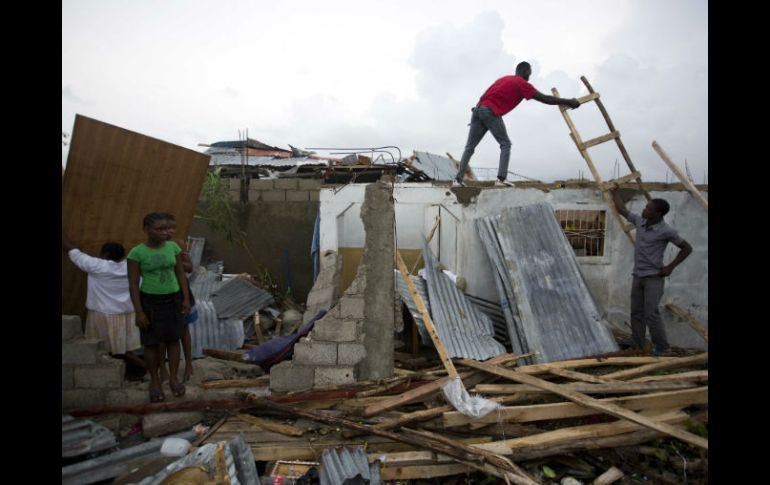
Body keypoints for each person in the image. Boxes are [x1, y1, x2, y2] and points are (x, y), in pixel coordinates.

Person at [453, 61, 581, 187]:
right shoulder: (522, 84)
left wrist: (479, 114)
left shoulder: (503, 79)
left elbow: (484, 95)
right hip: (490, 111)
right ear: (525, 71)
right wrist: (569, 101)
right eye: (529, 74)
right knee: (505, 143)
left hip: (478, 110)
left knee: (469, 147)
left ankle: (457, 181)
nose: (529, 77)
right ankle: (501, 179)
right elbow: (545, 99)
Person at [610, 188, 693, 355]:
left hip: (654, 277)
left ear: (658, 214)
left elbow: (687, 248)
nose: (644, 210)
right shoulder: (640, 221)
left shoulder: (666, 231)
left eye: (649, 209)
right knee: (636, 312)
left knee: (651, 313)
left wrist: (670, 267)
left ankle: (663, 347)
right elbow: (622, 210)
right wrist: (614, 192)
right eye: (646, 207)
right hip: (638, 275)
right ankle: (638, 342)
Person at [127, 212, 191, 402]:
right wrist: (138, 311)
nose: (165, 232)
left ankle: (173, 378)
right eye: (159, 229)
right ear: (146, 230)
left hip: (173, 299)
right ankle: (155, 381)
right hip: (150, 302)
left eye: (167, 229)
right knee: (151, 343)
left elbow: (180, 274)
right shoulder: (136, 253)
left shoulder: (173, 247)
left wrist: (185, 298)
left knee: (173, 340)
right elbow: (132, 283)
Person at [62, 232, 145, 377]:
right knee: (124, 349)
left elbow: (72, 250)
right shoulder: (131, 267)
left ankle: (145, 368)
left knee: (104, 350)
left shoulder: (97, 266)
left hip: (102, 316)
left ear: (105, 254)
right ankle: (137, 370)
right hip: (127, 315)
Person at [156, 213, 197, 383]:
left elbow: (189, 267)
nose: (169, 232)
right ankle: (163, 370)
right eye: (165, 228)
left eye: (172, 228)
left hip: (180, 292)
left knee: (183, 331)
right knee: (161, 335)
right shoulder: (151, 247)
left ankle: (188, 364)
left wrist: (175, 261)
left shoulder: (178, 244)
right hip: (159, 293)